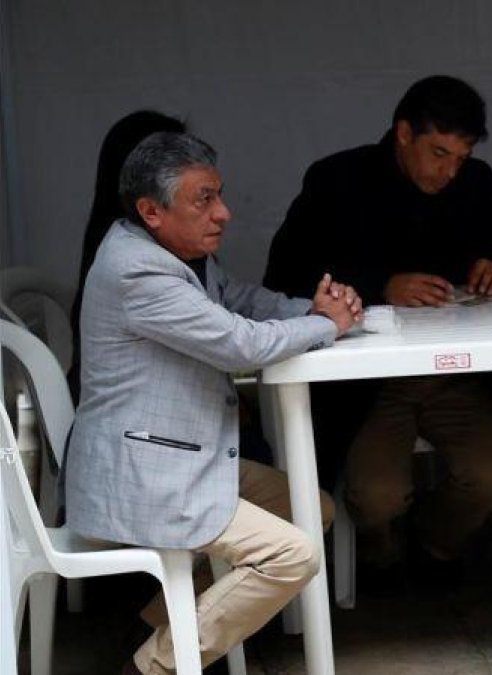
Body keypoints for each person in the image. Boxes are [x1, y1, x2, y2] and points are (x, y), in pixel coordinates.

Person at [64, 131, 357, 674]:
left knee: (311, 508)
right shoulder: (139, 270)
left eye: (219, 194)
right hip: (143, 476)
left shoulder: (170, 250)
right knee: (293, 554)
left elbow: (238, 301)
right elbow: (238, 345)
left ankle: (162, 622)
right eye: (204, 199)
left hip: (177, 456)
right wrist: (323, 325)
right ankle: (155, 665)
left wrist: (313, 309)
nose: (223, 213)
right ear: (151, 210)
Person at [264, 75, 492, 579]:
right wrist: (382, 285)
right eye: (439, 153)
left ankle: (433, 543)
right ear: (404, 133)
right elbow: (285, 278)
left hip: (456, 373)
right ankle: (383, 553)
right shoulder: (336, 179)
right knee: (375, 495)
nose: (448, 171)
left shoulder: (476, 181)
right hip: (366, 383)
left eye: (460, 158)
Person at [69, 110, 186, 403]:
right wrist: (317, 321)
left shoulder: (113, 239)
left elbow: (234, 298)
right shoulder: (137, 258)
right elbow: (233, 341)